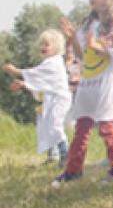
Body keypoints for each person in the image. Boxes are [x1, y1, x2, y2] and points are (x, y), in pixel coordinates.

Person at [52, 0, 113, 186]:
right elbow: (82, 56)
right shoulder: (90, 23)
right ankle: (73, 169)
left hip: (109, 80)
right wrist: (73, 40)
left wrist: (97, 46)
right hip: (90, 80)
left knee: (107, 125)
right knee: (82, 125)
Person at [4, 30, 72, 165]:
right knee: (47, 125)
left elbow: (37, 75)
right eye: (41, 44)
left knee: (55, 126)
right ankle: (54, 155)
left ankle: (66, 155)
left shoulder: (54, 63)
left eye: (47, 44)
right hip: (51, 99)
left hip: (59, 100)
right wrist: (23, 84)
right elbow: (42, 81)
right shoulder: (49, 62)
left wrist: (17, 71)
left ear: (56, 46)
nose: (43, 47)